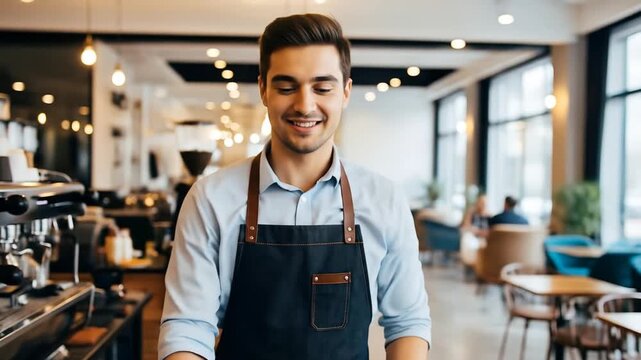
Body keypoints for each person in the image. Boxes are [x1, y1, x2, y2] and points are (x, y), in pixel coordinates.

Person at [158, 13, 431, 360]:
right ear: (263, 90)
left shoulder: (384, 200)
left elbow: (407, 322)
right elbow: (187, 327)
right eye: (287, 87)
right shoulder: (210, 199)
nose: (304, 105)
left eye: (323, 87)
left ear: (345, 92)